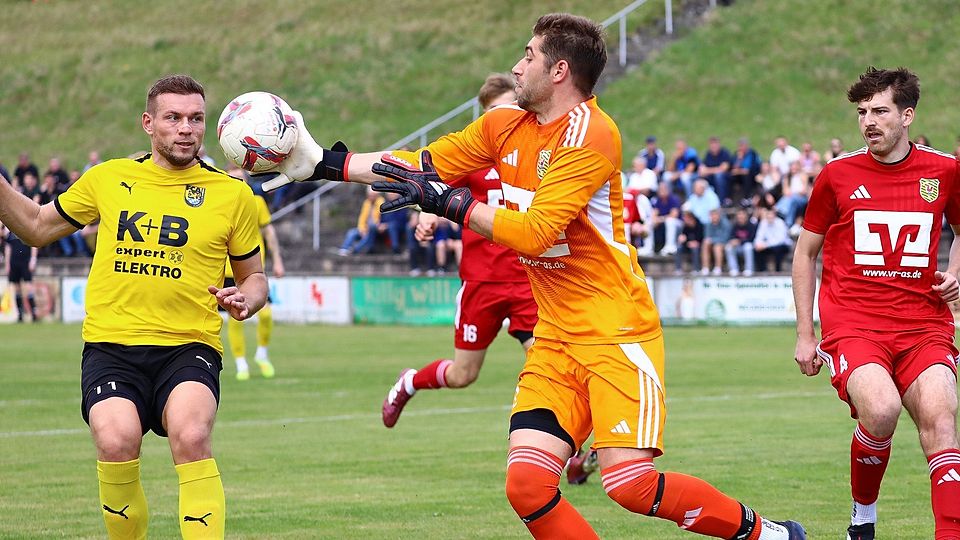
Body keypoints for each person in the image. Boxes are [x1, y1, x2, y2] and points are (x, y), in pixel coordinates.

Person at [267, 14, 805, 538]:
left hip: (616, 333)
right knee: (526, 484)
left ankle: (770, 536)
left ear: (559, 72)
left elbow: (537, 232)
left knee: (629, 485)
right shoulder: (504, 125)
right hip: (554, 337)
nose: (517, 66)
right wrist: (323, 164)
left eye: (529, 55)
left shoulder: (593, 134)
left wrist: (452, 205)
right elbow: (423, 163)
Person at [0, 74, 267, 539]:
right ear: (148, 123)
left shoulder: (233, 194)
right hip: (112, 346)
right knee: (116, 439)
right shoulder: (109, 178)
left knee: (191, 434)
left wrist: (248, 299)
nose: (186, 128)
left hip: (188, 346)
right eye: (173, 117)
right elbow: (37, 227)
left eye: (196, 118)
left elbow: (254, 277)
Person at [793, 66, 960, 540]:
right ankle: (862, 519)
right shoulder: (837, 174)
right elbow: (805, 253)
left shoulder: (944, 170)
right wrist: (806, 334)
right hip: (855, 324)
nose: (868, 120)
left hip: (925, 324)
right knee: (882, 409)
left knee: (942, 418)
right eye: (862, 112)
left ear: (907, 116)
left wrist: (954, 275)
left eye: (880, 111)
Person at [380, 72, 538, 429]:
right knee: (463, 373)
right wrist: (429, 219)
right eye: (496, 112)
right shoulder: (475, 158)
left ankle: (558, 448)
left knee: (544, 366)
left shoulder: (535, 154)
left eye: (512, 107)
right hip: (482, 280)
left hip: (529, 279)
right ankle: (409, 382)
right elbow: (436, 191)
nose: (505, 117)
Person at [223, 166, 285, 382]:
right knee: (234, 319)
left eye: (242, 179)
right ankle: (241, 363)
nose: (239, 183)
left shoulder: (255, 202)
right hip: (228, 271)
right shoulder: (220, 205)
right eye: (234, 179)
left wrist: (277, 260)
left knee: (266, 315)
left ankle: (262, 354)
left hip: (251, 272)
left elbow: (268, 231)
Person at [3, 223, 38, 322]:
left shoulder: (26, 229)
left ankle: (33, 313)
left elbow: (34, 244)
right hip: (14, 262)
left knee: (28, 287)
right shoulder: (10, 233)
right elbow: (8, 248)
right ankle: (20, 314)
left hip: (25, 262)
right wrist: (7, 264)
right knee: (17, 288)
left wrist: (33, 259)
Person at [336, 186, 384, 256]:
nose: (371, 197)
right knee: (352, 232)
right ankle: (344, 249)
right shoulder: (367, 203)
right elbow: (362, 217)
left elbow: (379, 220)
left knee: (369, 234)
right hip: (365, 228)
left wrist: (368, 229)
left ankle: (354, 250)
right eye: (370, 195)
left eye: (373, 195)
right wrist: (362, 229)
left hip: (374, 229)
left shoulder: (381, 202)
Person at [753, 206, 791, 272]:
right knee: (757, 250)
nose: (770, 217)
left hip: (782, 245)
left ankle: (778, 271)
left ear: (774, 215)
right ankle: (762, 270)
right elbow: (759, 236)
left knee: (778, 249)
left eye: (771, 215)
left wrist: (765, 245)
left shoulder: (780, 223)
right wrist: (757, 244)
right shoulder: (763, 223)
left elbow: (780, 240)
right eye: (768, 216)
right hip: (769, 245)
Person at [698, 136, 732, 206]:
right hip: (711, 178)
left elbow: (723, 169)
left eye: (715, 144)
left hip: (725, 179)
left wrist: (708, 170)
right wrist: (713, 170)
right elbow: (702, 169)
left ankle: (721, 201)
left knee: (718, 176)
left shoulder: (725, 153)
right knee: (698, 178)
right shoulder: (708, 154)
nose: (714, 146)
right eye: (712, 145)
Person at [724, 207, 756, 277]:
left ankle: (749, 269)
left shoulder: (751, 225)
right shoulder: (734, 225)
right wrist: (732, 242)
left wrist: (740, 241)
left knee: (748, 247)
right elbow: (731, 237)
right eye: (739, 214)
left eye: (742, 214)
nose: (741, 216)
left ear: (746, 215)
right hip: (737, 247)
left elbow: (752, 239)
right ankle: (734, 269)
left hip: (747, 247)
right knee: (728, 247)